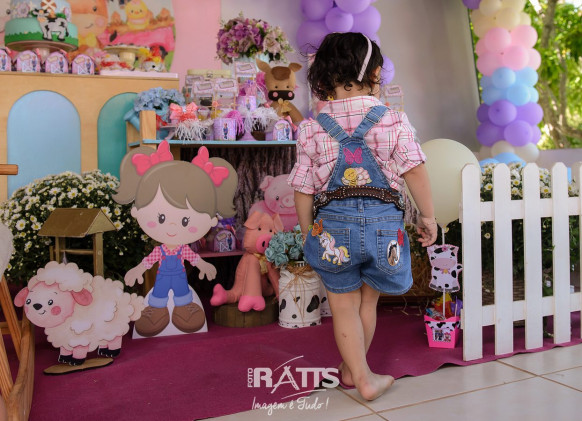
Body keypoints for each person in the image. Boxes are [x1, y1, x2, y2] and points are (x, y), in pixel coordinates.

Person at [288, 32, 438, 401]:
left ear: (324, 77)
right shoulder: (393, 120)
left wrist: (309, 233)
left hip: (332, 227)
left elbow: (303, 188)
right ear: (374, 75)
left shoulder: (311, 128)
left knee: (342, 305)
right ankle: (361, 376)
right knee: (367, 302)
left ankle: (354, 372)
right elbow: (415, 170)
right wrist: (428, 217)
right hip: (383, 226)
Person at [114, 141, 237, 337]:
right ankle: (156, 311)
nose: (171, 226)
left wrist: (204, 265)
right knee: (159, 294)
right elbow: (148, 261)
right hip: (162, 278)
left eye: (186, 220)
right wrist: (138, 269)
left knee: (182, 294)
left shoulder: (183, 250)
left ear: (212, 220)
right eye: (161, 218)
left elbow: (194, 259)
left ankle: (184, 309)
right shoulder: (160, 251)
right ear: (137, 212)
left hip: (180, 278)